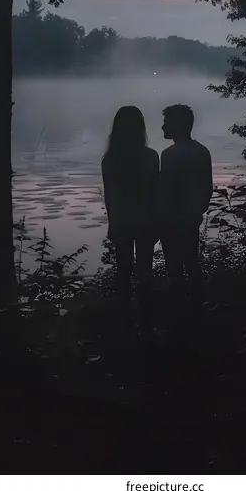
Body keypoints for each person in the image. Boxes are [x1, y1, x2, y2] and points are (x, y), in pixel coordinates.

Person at [101, 106, 159, 331]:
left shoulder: (110, 161)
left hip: (122, 222)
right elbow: (156, 193)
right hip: (147, 220)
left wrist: (112, 223)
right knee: (145, 272)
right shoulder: (151, 157)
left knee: (123, 272)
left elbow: (110, 197)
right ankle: (146, 323)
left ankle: (124, 322)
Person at [158, 104, 213, 328]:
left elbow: (165, 190)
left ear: (177, 125)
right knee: (192, 263)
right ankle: (198, 312)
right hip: (191, 217)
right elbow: (207, 188)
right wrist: (198, 210)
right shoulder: (202, 151)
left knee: (174, 268)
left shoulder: (169, 154)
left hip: (171, 219)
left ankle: (179, 318)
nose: (162, 127)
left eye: (166, 123)